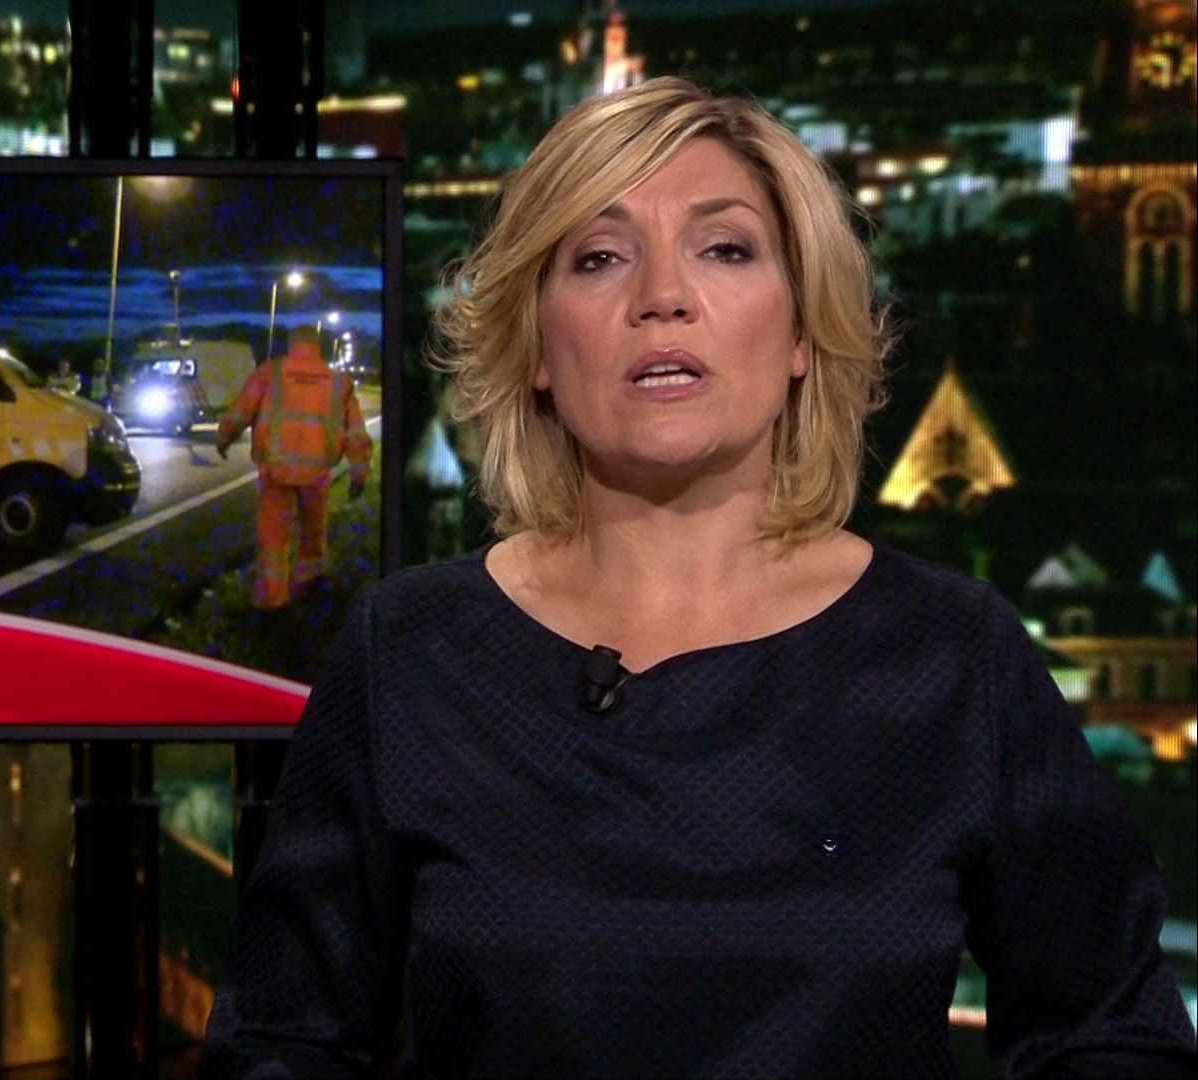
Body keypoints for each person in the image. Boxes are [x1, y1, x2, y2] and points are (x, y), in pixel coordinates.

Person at [199, 78, 1198, 1078]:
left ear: (802, 332)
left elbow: (1115, 1037)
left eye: (724, 248)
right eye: (600, 257)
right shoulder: (410, 654)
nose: (663, 296)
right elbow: (281, 1046)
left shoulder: (951, 655)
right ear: (537, 344)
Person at [216, 325, 373, 610]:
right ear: (317, 346)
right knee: (313, 534)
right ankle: (307, 587)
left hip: (275, 470)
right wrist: (359, 473)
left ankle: (273, 600)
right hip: (317, 472)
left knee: (272, 537)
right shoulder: (339, 381)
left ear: (291, 344)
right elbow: (356, 433)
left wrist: (224, 438)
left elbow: (241, 412)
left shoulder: (270, 373)